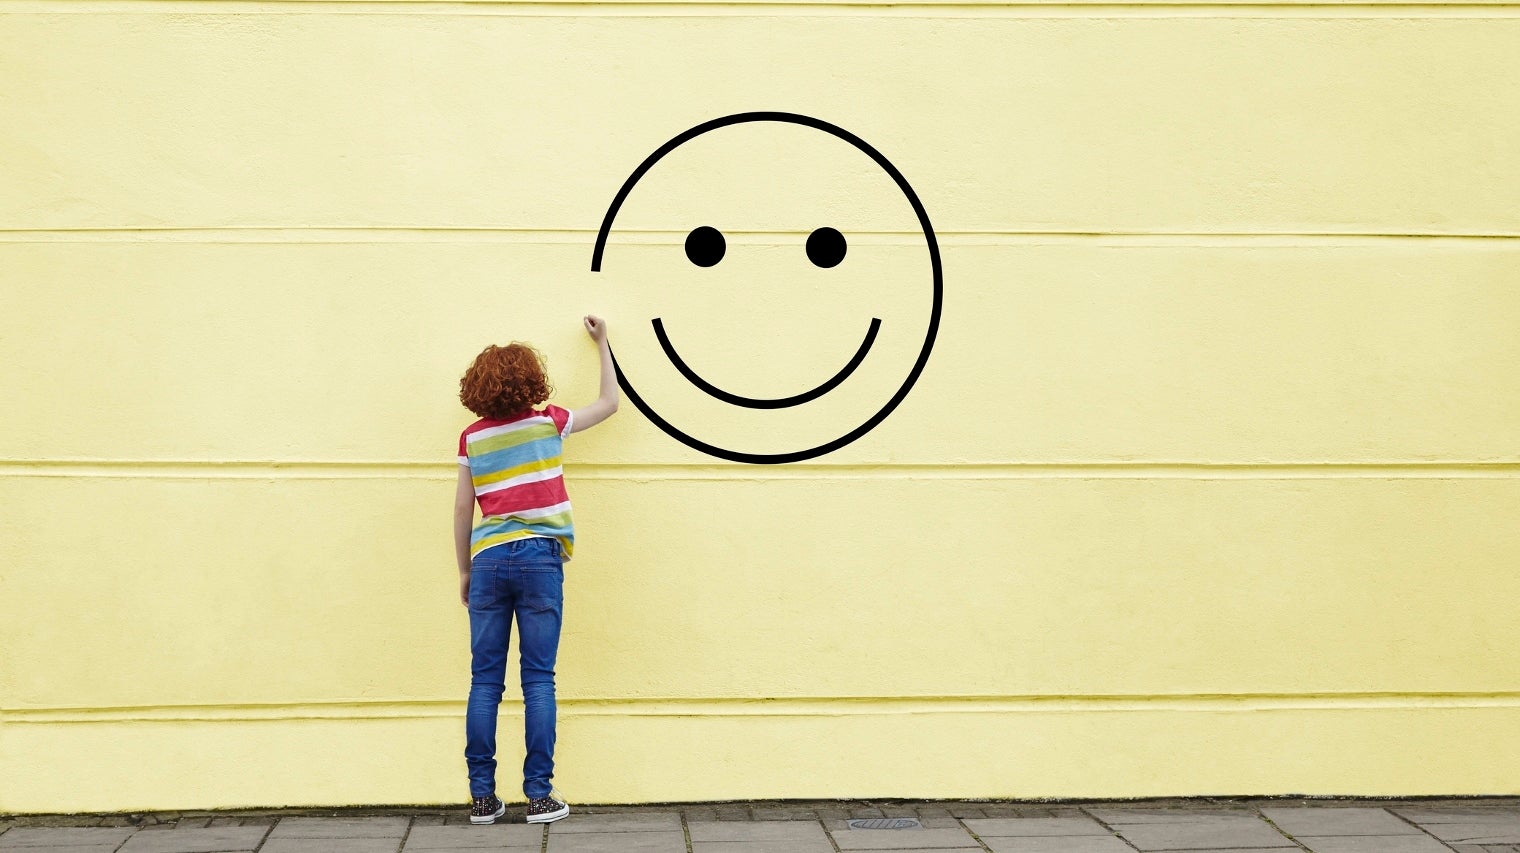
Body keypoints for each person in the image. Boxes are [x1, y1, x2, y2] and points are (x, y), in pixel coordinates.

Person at [453, 315, 618, 825]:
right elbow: (610, 404)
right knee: (538, 678)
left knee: (485, 680)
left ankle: (483, 799)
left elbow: (463, 509)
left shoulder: (472, 439)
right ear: (532, 381)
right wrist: (603, 342)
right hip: (540, 559)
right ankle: (539, 796)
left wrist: (465, 570)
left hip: (488, 560)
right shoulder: (548, 423)